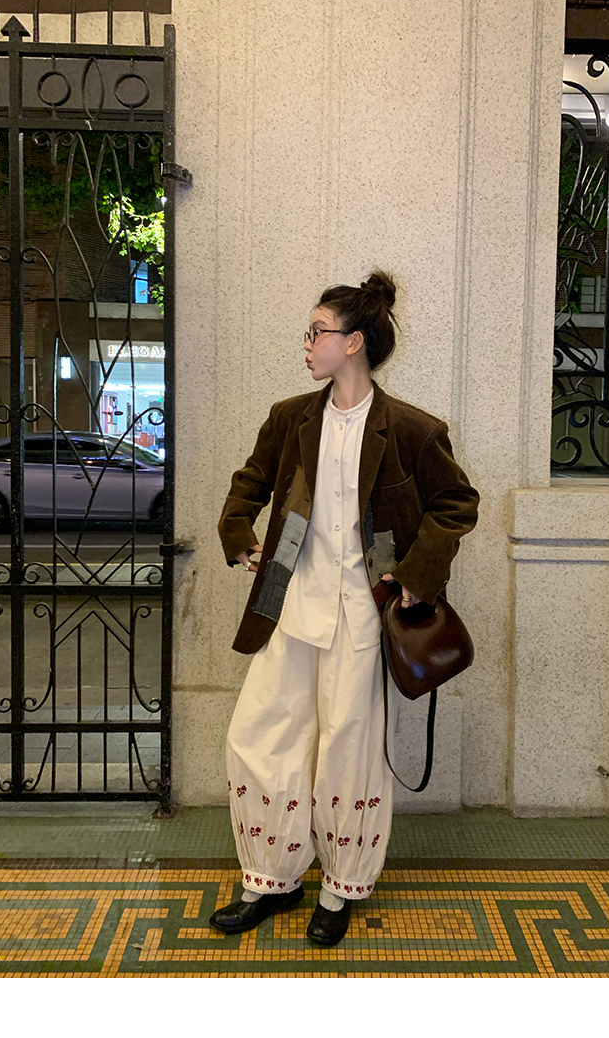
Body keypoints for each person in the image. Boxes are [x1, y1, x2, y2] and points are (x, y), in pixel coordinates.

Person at [212, 271, 479, 946]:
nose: (307, 343)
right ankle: (270, 880)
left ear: (354, 342)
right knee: (261, 737)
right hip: (289, 601)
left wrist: (417, 575)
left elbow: (457, 503)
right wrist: (239, 533)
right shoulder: (290, 418)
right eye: (309, 333)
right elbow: (249, 483)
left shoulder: (412, 429)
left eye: (317, 332)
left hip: (364, 611)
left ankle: (340, 888)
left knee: (348, 749)